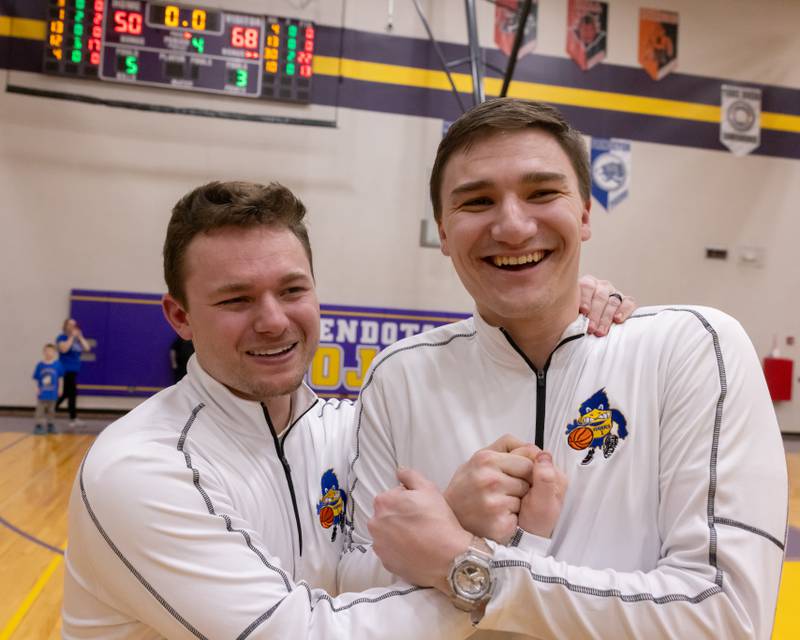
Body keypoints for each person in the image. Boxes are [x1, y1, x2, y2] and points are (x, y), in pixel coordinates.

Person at [62, 180, 633, 638]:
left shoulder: (344, 430)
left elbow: (348, 580)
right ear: (180, 316)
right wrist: (481, 579)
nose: (273, 320)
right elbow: (301, 630)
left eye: (291, 290)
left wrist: (553, 300)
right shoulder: (143, 469)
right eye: (236, 299)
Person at [342, 98, 788, 639]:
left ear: (583, 214)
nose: (511, 226)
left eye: (542, 192)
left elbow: (727, 620)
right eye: (477, 201)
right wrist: (456, 517)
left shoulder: (692, 347)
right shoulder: (399, 376)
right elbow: (354, 590)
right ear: (442, 229)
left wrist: (469, 566)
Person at [56, 317, 91, 428]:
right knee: (71, 394)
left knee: (68, 394)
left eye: (74, 325)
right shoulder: (61, 337)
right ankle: (71, 418)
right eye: (70, 324)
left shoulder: (77, 339)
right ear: (66, 326)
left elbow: (87, 348)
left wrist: (80, 337)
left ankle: (51, 411)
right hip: (65, 370)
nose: (73, 327)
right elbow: (64, 349)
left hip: (74, 371)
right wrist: (71, 337)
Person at [32, 343, 63, 435]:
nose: (49, 353)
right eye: (47, 351)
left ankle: (50, 425)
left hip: (53, 392)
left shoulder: (57, 365)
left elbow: (60, 378)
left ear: (54, 353)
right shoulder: (40, 365)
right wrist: (37, 388)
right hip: (43, 392)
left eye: (51, 351)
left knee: (51, 410)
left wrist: (60, 388)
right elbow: (37, 378)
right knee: (40, 410)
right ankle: (39, 425)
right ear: (44, 352)